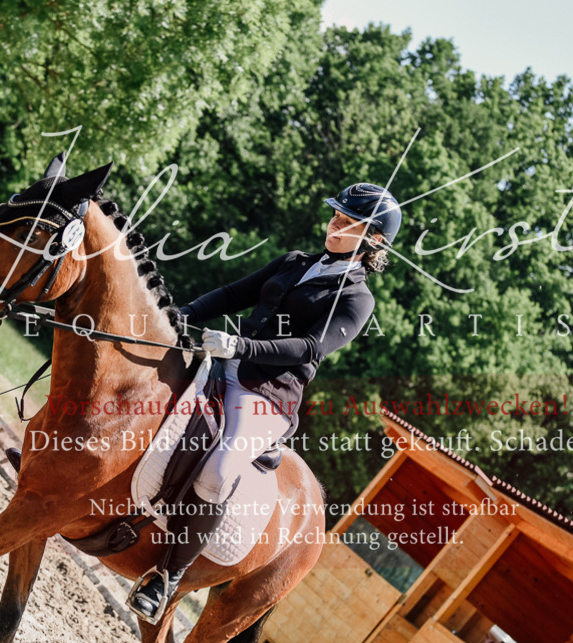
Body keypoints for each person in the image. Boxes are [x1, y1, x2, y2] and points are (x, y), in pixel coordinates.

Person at [129, 183, 401, 619]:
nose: (336, 222)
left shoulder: (356, 298)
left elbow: (311, 347)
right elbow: (235, 294)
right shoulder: (296, 261)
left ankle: (166, 576)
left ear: (374, 239)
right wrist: (180, 314)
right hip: (222, 361)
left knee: (218, 472)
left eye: (350, 221)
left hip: (266, 396)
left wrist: (241, 348)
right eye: (336, 214)